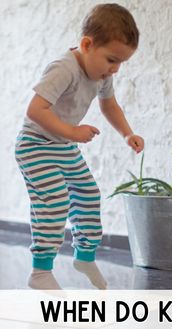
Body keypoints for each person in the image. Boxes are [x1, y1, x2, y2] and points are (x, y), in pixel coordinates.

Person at [15, 3, 144, 290]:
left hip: (62, 146)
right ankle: (40, 272)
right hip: (35, 145)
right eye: (112, 60)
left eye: (121, 62)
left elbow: (109, 105)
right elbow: (36, 110)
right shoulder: (65, 68)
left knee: (88, 194)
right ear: (87, 44)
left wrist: (127, 133)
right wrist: (72, 132)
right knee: (54, 201)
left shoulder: (102, 75)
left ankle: (84, 256)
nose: (116, 70)